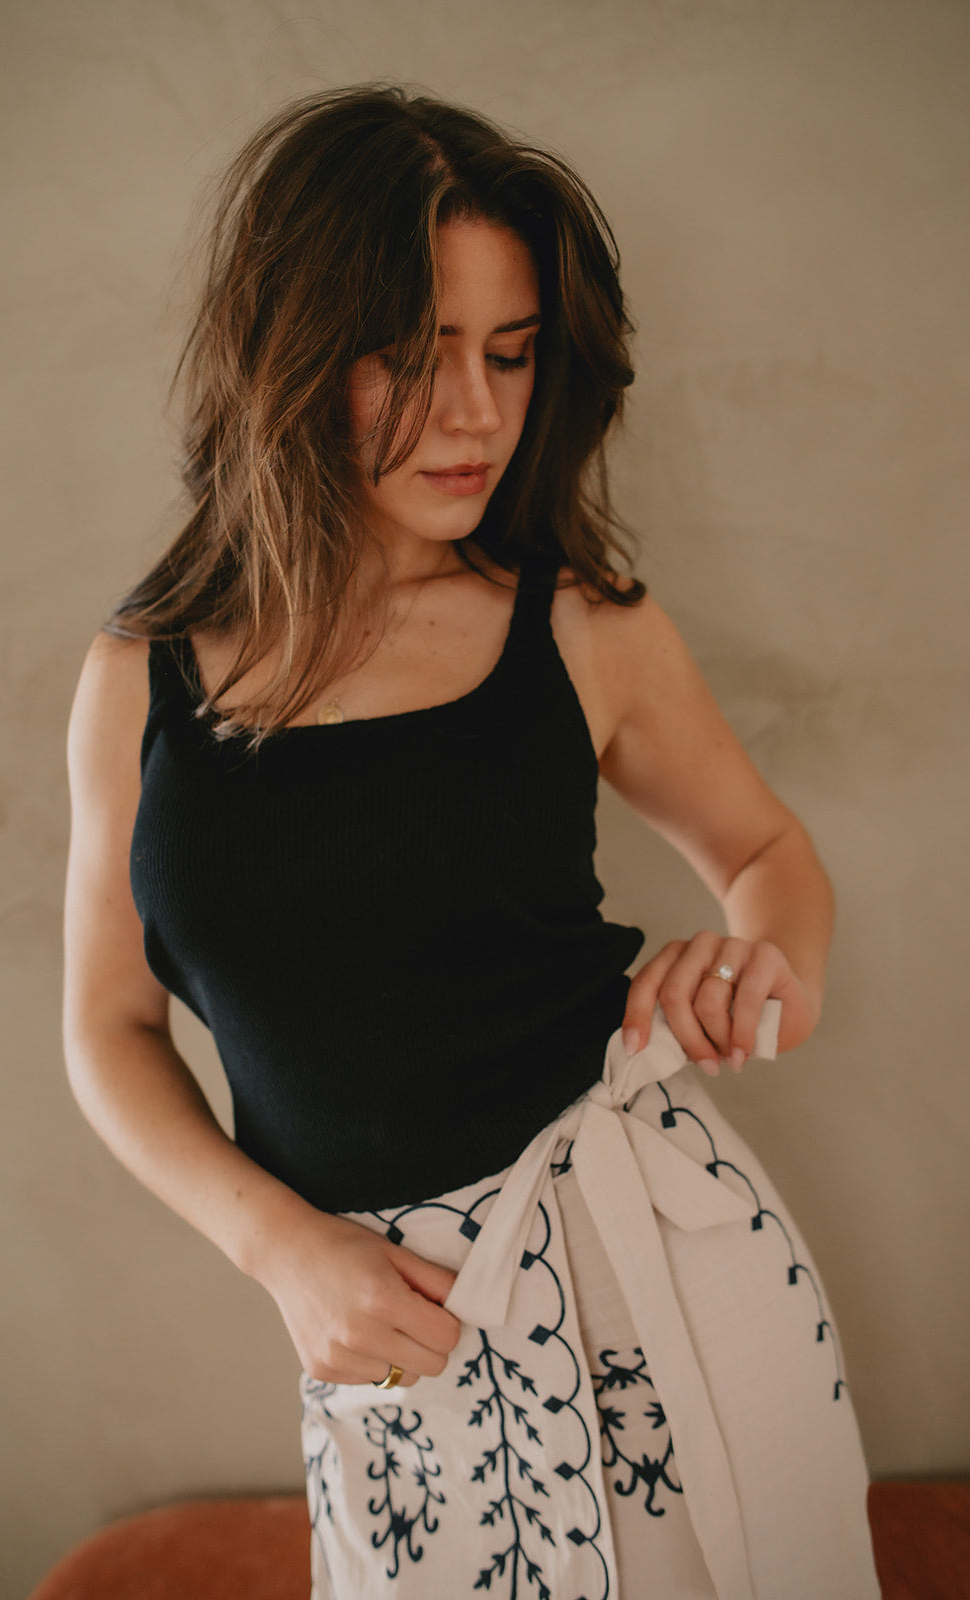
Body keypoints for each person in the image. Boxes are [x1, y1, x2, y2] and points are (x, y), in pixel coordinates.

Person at [63, 85, 879, 1599]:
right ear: (289, 351)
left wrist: (767, 969)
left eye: (509, 353)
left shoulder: (582, 628)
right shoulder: (141, 683)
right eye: (415, 353)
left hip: (659, 1264)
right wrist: (279, 1249)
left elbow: (772, 856)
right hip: (383, 1331)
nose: (478, 413)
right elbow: (107, 1027)